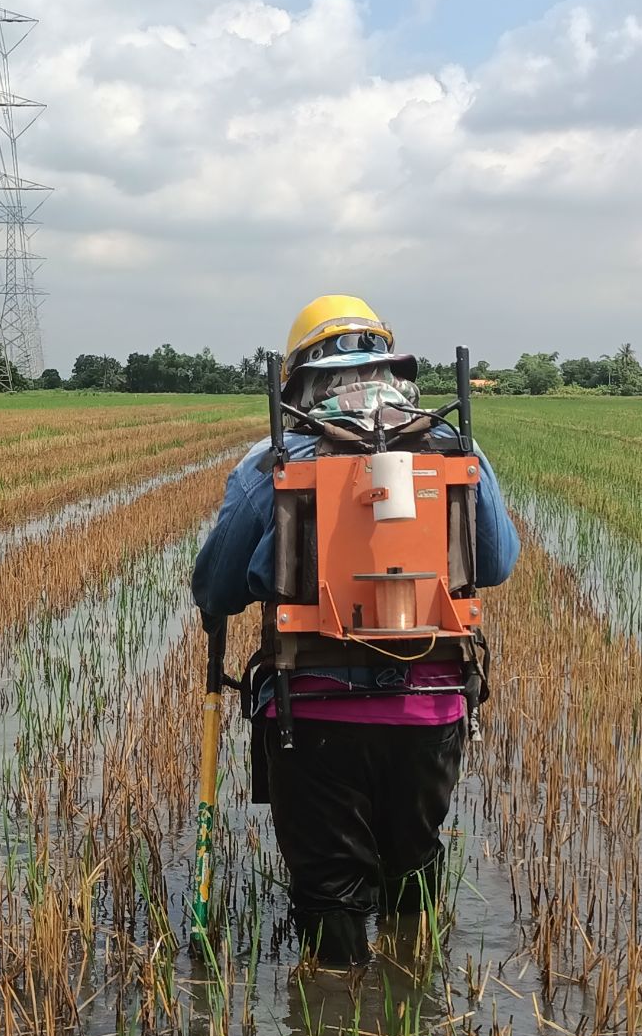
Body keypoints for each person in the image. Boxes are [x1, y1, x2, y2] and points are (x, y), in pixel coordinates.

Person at [191, 295, 520, 969]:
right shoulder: (455, 445)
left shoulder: (273, 458)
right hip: (432, 706)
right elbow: (498, 561)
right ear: (393, 367)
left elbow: (217, 586)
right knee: (413, 867)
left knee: (331, 898)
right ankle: (411, 1010)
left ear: (300, 380)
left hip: (311, 715)